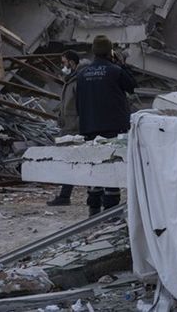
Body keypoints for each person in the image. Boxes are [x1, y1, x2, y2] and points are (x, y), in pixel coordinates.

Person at [76, 36, 137, 215]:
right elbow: (132, 85)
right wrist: (122, 64)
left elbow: (79, 102)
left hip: (89, 128)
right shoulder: (115, 71)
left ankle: (93, 209)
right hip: (113, 127)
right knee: (112, 167)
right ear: (110, 51)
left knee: (95, 168)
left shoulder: (82, 74)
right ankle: (110, 210)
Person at [48, 50, 85, 207]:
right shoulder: (70, 81)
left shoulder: (77, 82)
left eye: (64, 63)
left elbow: (81, 106)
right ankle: (65, 195)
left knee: (76, 162)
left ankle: (66, 195)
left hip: (75, 129)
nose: (62, 66)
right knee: (70, 162)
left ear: (71, 62)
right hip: (68, 127)